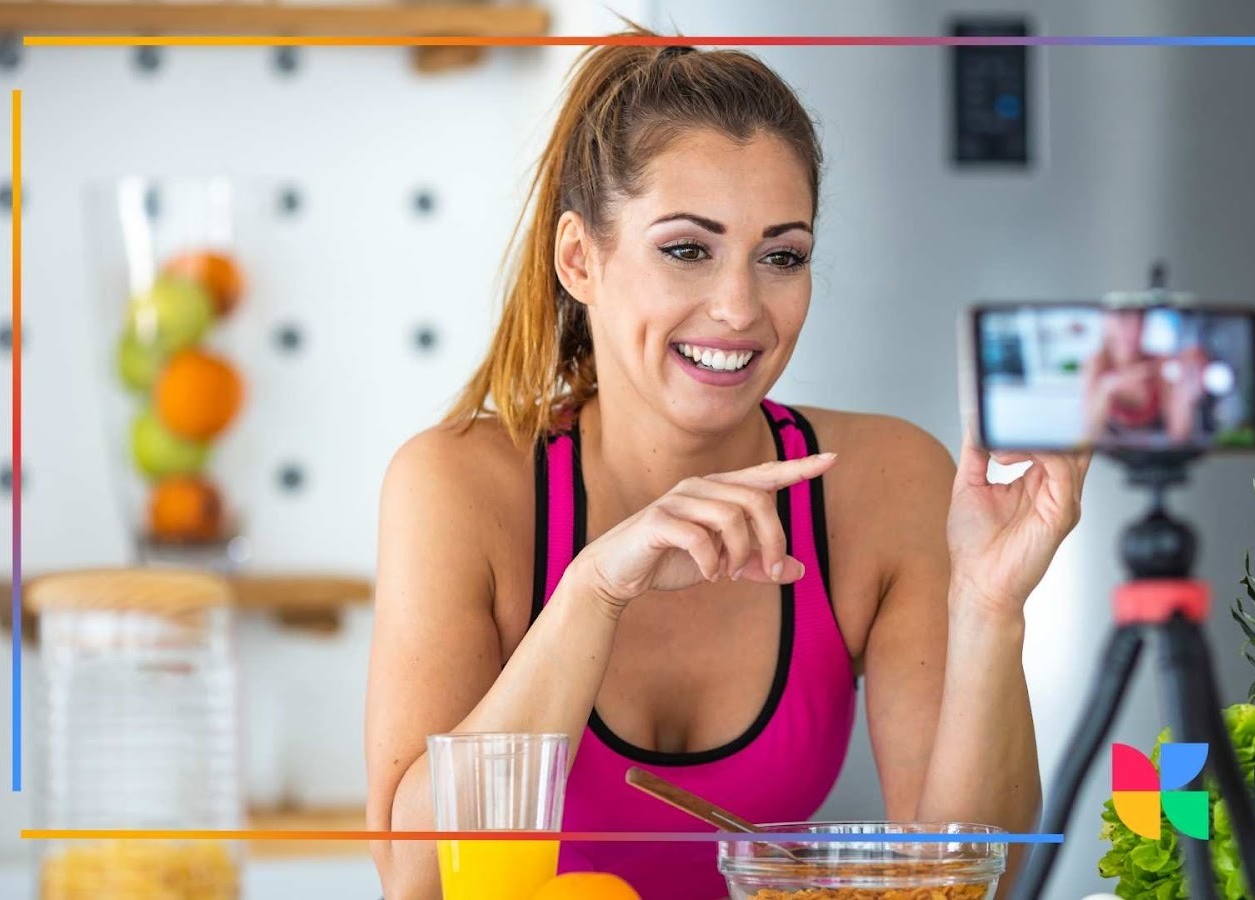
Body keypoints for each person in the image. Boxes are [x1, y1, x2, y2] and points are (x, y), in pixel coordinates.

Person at [365, 31, 1089, 900]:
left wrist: (988, 607)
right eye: (686, 249)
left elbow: (976, 883)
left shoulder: (884, 481)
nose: (740, 308)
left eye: (781, 256)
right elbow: (417, 880)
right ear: (578, 259)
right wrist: (592, 594)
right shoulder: (460, 485)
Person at [1082, 308, 1204, 446]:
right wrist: (1108, 387)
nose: (1133, 332)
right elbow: (1091, 434)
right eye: (1124, 321)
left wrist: (1185, 394)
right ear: (1107, 323)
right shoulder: (1096, 364)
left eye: (1139, 322)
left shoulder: (1160, 363)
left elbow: (1179, 435)